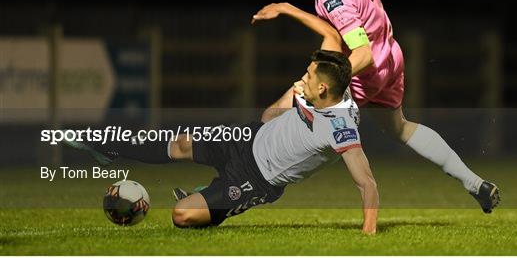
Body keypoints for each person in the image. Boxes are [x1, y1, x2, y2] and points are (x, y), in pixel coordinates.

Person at [251, 0, 499, 213]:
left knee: (275, 117)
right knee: (399, 128)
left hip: (366, 73)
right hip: (391, 57)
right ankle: (474, 182)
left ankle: (245, 187)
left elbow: (362, 54)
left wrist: (320, 88)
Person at [63, 47, 379, 234]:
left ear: (324, 89)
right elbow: (269, 117)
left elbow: (366, 183)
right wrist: (292, 93)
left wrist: (368, 232)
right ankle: (107, 146)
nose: (304, 77)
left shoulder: (340, 129)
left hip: (255, 180)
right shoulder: (328, 89)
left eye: (310, 76)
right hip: (246, 138)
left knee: (182, 215)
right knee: (182, 144)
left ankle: (206, 196)